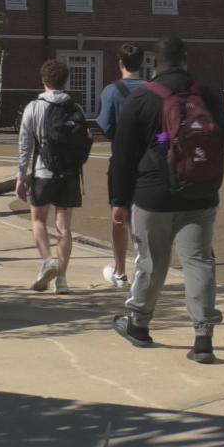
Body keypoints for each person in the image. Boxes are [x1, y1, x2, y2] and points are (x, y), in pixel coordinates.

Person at [110, 36, 224, 364]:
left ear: (154, 62)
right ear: (185, 59)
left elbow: (122, 156)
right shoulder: (209, 95)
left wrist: (118, 200)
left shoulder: (141, 99)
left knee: (151, 261)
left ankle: (138, 325)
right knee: (199, 261)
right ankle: (203, 337)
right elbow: (221, 142)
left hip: (153, 194)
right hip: (202, 193)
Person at [17, 60, 93, 295]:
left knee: (38, 221)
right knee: (64, 228)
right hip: (70, 173)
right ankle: (62, 280)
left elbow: (25, 144)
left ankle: (47, 259)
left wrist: (21, 176)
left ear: (43, 80)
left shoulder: (34, 107)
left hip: (44, 171)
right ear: (65, 80)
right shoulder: (76, 108)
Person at [98, 42, 148, 288]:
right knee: (147, 219)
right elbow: (164, 131)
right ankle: (145, 269)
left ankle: (120, 271)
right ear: (143, 63)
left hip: (120, 161)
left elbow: (106, 128)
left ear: (120, 64)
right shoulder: (155, 90)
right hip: (150, 163)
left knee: (119, 217)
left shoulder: (111, 91)